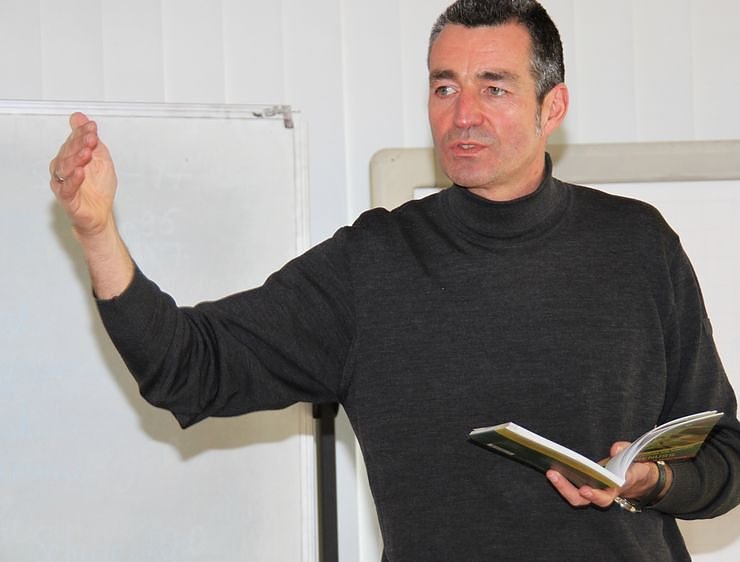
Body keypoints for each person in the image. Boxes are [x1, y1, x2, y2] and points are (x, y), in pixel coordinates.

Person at [49, 0, 739, 560]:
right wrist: (98, 232)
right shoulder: (373, 263)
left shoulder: (637, 245)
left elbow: (725, 457)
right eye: (445, 87)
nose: (462, 114)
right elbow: (186, 367)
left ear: (551, 108)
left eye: (494, 87)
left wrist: (653, 481)